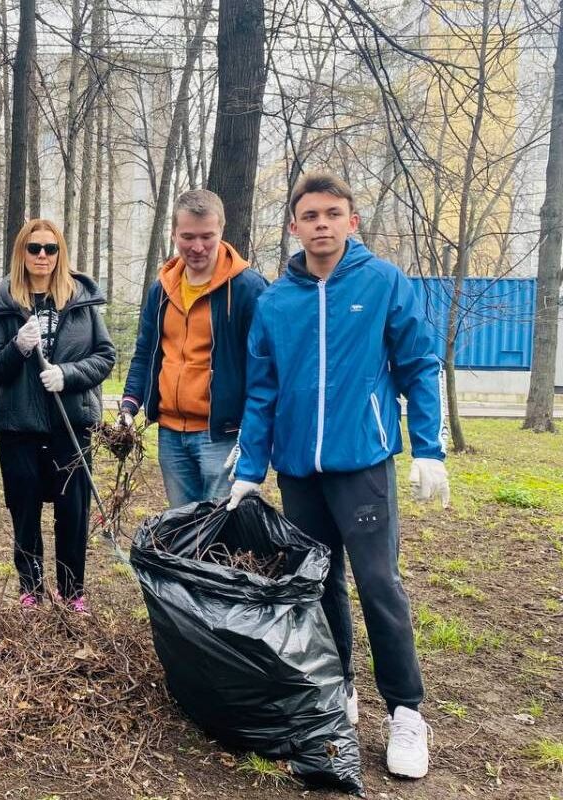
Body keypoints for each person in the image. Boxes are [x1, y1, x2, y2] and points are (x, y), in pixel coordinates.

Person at [228, 172, 449, 780]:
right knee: (319, 585)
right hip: (300, 471)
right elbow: (262, 391)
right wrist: (250, 468)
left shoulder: (382, 283)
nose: (321, 224)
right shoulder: (276, 301)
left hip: (363, 466)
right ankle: (338, 689)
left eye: (333, 213)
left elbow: (418, 364)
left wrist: (429, 447)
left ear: (352, 222)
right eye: (309, 215)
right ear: (294, 226)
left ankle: (406, 710)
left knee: (380, 585)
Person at [0, 219, 115, 613]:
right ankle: (30, 589)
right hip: (19, 425)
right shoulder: (6, 303)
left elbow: (106, 356)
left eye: (50, 248)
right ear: (22, 253)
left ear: (61, 253)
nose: (42, 255)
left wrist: (68, 375)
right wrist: (17, 348)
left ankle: (73, 591)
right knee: (24, 510)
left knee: (73, 511)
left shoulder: (80, 301)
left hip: (69, 424)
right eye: (34, 248)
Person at [119, 189, 267, 506]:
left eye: (206, 236)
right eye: (187, 237)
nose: (197, 247)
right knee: (183, 531)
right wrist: (129, 405)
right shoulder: (161, 289)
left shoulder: (247, 289)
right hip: (171, 436)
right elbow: (145, 352)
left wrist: (253, 432)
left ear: (221, 231)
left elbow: (263, 369)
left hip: (223, 435)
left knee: (220, 533)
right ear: (173, 233)